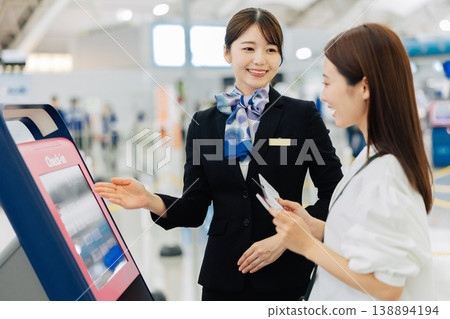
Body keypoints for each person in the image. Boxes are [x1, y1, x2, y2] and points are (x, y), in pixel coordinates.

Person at [94, 7, 343, 301]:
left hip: (285, 274)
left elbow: (336, 196)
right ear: (227, 53)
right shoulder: (203, 123)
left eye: (271, 49)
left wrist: (287, 238)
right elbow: (195, 207)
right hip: (223, 277)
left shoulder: (302, 116)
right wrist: (150, 200)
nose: (260, 59)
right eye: (248, 48)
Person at [269, 23, 434, 301]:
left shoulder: (387, 174)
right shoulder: (371, 157)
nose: (323, 95)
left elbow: (387, 286)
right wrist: (313, 226)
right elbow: (362, 238)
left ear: (365, 87)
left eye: (328, 82)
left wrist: (308, 246)